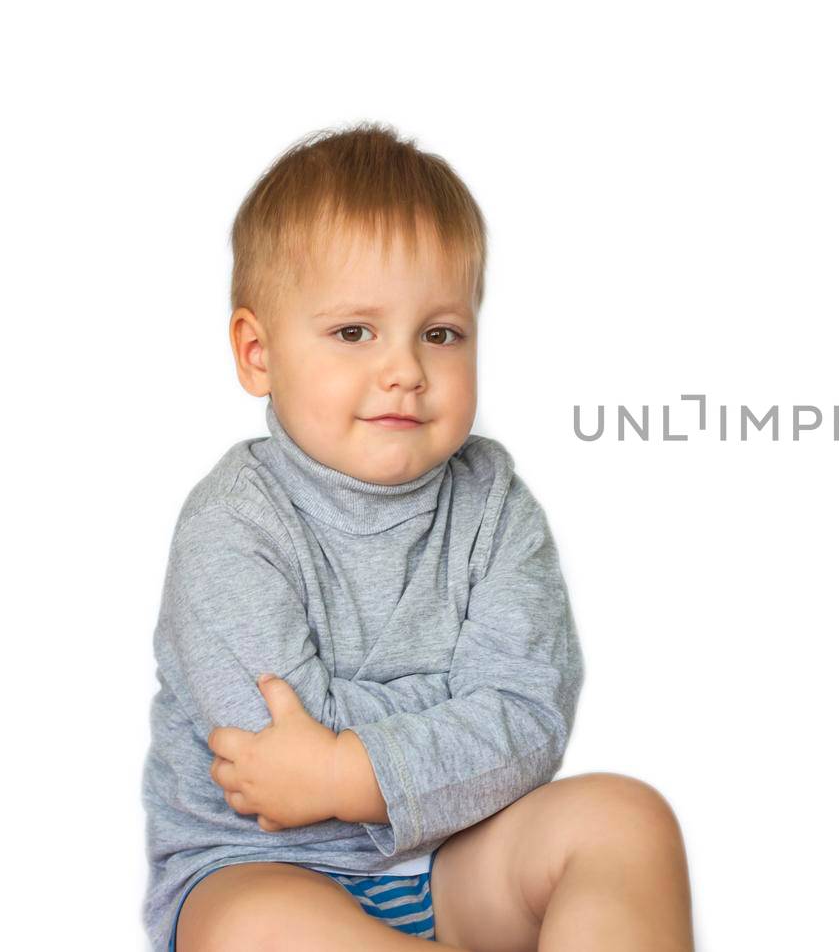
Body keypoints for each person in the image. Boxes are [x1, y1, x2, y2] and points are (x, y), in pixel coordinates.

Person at [139, 123, 694, 951]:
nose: (405, 367)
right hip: (261, 863)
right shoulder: (233, 520)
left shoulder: (494, 502)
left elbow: (531, 719)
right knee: (254, 930)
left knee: (626, 817)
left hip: (453, 860)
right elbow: (266, 754)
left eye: (441, 333)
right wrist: (459, 703)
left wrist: (338, 765)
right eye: (354, 332)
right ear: (258, 352)